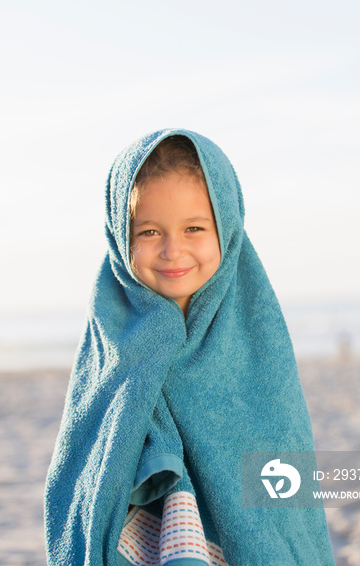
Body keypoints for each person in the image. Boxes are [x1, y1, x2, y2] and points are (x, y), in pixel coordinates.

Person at [44, 128, 335, 566]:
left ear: (228, 227)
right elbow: (81, 477)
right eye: (149, 232)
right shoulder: (113, 343)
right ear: (121, 238)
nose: (172, 250)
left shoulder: (257, 343)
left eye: (195, 228)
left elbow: (286, 496)